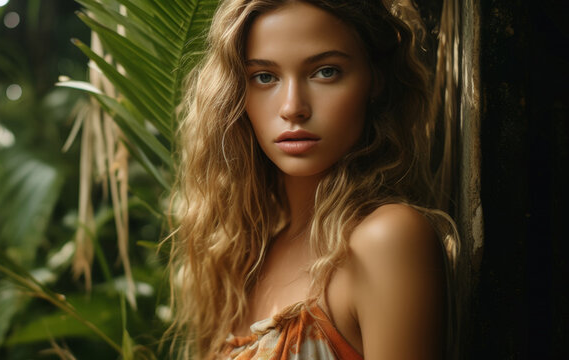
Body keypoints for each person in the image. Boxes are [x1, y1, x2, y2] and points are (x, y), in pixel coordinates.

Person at [166, 0, 460, 358]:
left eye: (325, 72)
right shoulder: (241, 258)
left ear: (375, 79)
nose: (292, 107)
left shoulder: (385, 240)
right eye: (265, 77)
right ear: (235, 95)